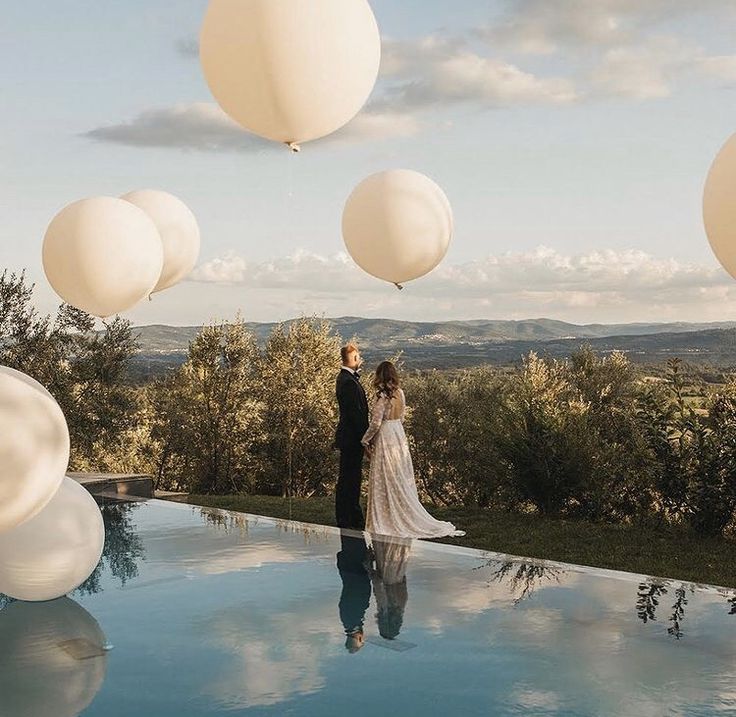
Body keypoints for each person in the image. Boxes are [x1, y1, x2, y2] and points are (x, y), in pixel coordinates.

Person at [361, 361, 464, 539]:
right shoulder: (400, 393)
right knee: (398, 474)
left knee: (385, 476)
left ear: (379, 376)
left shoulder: (382, 396)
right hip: (398, 434)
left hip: (386, 434)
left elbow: (376, 422)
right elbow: (401, 417)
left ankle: (387, 516)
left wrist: (365, 440)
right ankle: (399, 510)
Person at [334, 343, 369, 529]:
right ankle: (349, 517)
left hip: (351, 438)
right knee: (350, 479)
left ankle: (350, 515)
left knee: (350, 478)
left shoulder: (345, 379)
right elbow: (356, 416)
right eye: (359, 356)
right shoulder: (348, 382)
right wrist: (366, 441)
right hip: (352, 439)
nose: (360, 359)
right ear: (354, 358)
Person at [336, 532, 371, 653]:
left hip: (355, 568)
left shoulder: (352, 619)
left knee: (353, 534)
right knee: (351, 535)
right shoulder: (348, 621)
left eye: (362, 640)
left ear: (360, 637)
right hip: (351, 568)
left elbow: (359, 594)